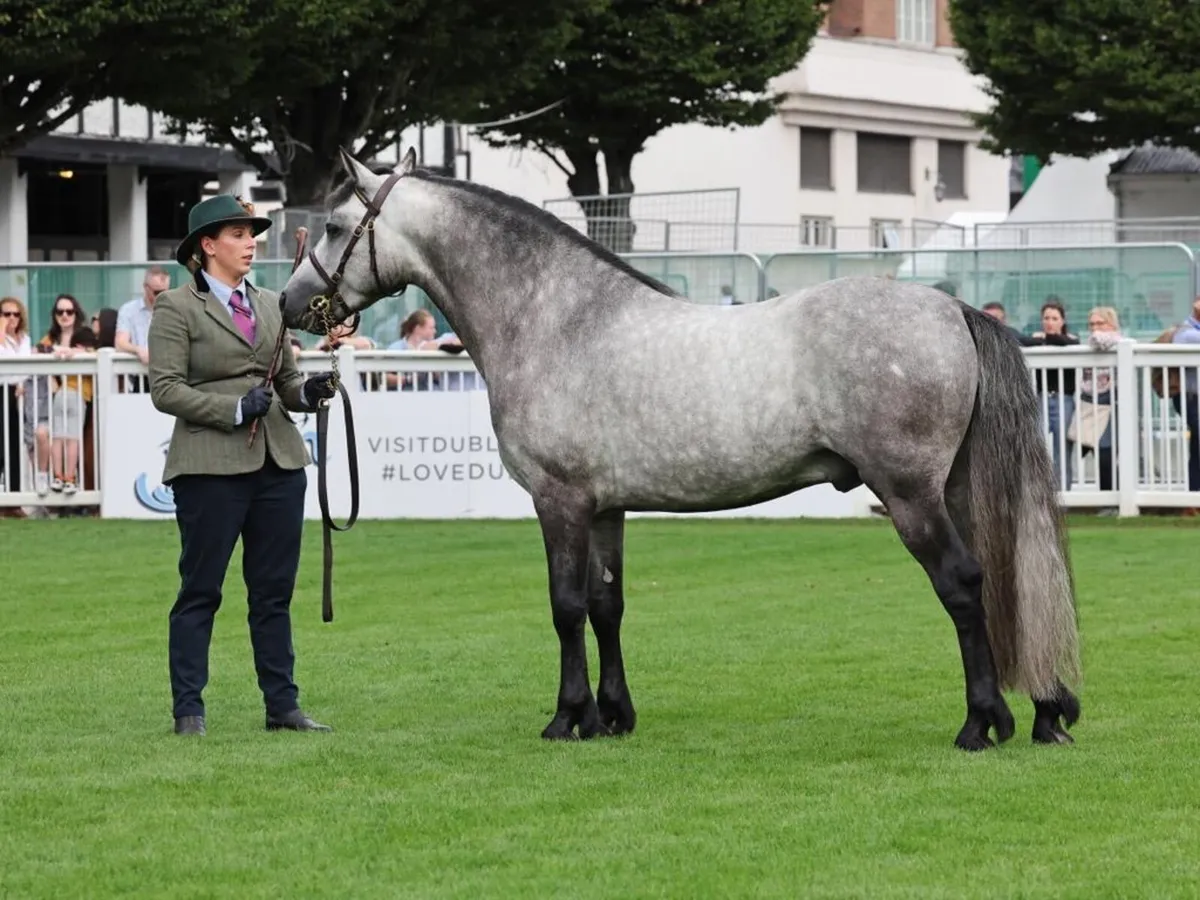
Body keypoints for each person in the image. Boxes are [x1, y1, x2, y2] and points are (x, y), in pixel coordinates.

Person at [146, 193, 338, 737]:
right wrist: (231, 408)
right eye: (237, 234)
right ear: (207, 246)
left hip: (280, 463)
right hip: (208, 467)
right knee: (200, 590)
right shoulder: (176, 307)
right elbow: (164, 389)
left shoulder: (273, 305)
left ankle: (283, 707)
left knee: (273, 593)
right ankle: (189, 710)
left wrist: (310, 393)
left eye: (251, 234)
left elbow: (287, 383)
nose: (250, 242)